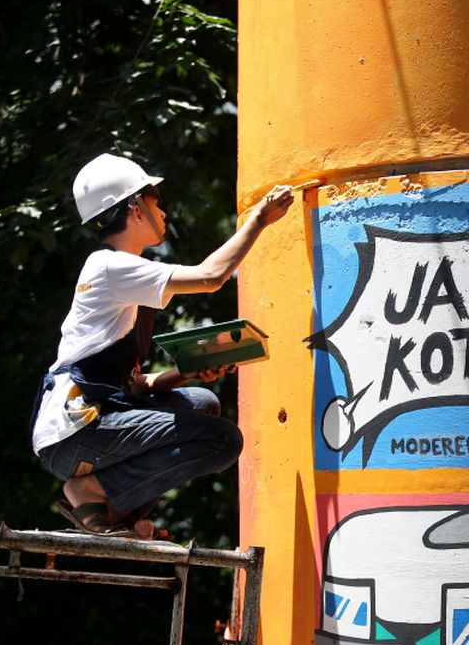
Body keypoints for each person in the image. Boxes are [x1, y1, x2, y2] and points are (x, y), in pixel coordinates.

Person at [30, 153, 294, 536]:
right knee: (222, 440)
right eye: (156, 200)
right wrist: (259, 220)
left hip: (86, 426)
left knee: (202, 403)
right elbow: (211, 275)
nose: (163, 211)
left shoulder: (122, 279)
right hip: (76, 432)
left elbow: (131, 388)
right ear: (136, 208)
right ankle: (96, 494)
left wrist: (182, 372)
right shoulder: (110, 267)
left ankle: (113, 514)